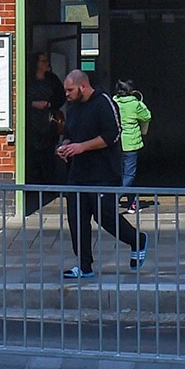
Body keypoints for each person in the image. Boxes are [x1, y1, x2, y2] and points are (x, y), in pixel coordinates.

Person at [56, 69, 145, 279]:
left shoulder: (104, 102)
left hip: (104, 172)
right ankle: (84, 265)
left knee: (105, 217)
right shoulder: (73, 107)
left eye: (70, 90)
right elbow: (69, 135)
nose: (66, 94)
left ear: (83, 86)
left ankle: (137, 240)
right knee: (77, 219)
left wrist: (82, 147)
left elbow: (112, 135)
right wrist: (65, 147)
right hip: (78, 174)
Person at [23, 52, 66, 214]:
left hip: (49, 121)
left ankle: (49, 186)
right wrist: (33, 104)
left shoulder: (52, 79)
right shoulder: (28, 80)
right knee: (34, 155)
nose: (47, 63)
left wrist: (49, 104)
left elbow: (61, 97)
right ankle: (35, 185)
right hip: (32, 122)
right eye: (43, 60)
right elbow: (20, 98)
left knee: (49, 154)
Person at [111, 81, 151, 213]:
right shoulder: (134, 104)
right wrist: (141, 102)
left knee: (122, 173)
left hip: (116, 143)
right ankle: (114, 197)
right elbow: (147, 116)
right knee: (129, 174)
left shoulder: (113, 102)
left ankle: (132, 203)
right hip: (131, 143)